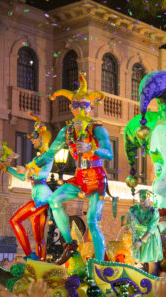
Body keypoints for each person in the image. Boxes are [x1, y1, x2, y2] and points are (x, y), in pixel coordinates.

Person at [32, 72, 113, 264]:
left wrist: (92, 148)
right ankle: (69, 243)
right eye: (76, 105)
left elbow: (109, 153)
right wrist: (32, 166)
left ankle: (99, 266)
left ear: (90, 107)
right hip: (78, 177)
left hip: (95, 178)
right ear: (71, 108)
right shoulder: (66, 131)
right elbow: (50, 153)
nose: (79, 109)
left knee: (92, 223)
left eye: (84, 105)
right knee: (54, 200)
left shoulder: (98, 129)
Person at [7, 113, 53, 261]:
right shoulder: (37, 159)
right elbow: (23, 177)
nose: (32, 141)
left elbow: (40, 173)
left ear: (41, 138)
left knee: (15, 220)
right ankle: (41, 264)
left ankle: (29, 255)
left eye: (34, 138)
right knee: (39, 236)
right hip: (39, 197)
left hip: (42, 198)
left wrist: (30, 172)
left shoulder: (47, 156)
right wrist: (7, 168)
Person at [127, 189, 163, 275]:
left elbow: (151, 229)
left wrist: (141, 241)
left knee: (152, 261)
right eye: (141, 201)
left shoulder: (154, 212)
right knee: (137, 262)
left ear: (149, 200)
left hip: (150, 239)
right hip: (138, 236)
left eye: (144, 201)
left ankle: (153, 283)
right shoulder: (134, 209)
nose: (142, 203)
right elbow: (129, 221)